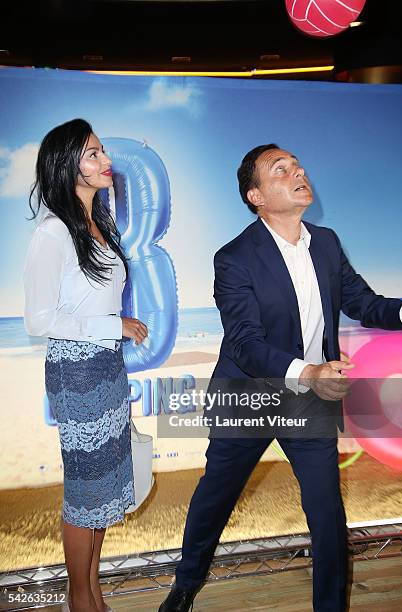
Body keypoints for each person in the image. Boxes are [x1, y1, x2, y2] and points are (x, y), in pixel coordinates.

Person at [159, 144, 402, 612]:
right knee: (217, 494)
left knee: (326, 512)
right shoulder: (234, 257)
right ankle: (187, 582)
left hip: (309, 400)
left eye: (297, 165)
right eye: (281, 169)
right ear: (256, 195)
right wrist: (309, 372)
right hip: (247, 394)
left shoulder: (328, 243)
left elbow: (364, 304)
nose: (298, 172)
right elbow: (245, 342)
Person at [23, 118, 148, 612]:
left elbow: (89, 301)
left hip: (107, 368)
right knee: (85, 494)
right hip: (76, 373)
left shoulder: (97, 224)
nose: (105, 161)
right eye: (93, 154)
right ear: (66, 166)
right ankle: (80, 600)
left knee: (101, 492)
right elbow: (38, 321)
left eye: (102, 152)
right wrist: (110, 327)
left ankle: (94, 593)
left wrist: (119, 323)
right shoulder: (52, 233)